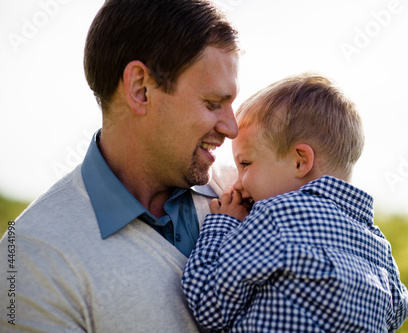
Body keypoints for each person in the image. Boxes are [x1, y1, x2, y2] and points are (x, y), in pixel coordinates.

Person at [0, 0, 240, 332]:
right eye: (214, 103)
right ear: (140, 88)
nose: (232, 127)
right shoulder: (32, 255)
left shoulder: (247, 192)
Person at [182, 73, 408, 332]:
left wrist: (222, 224)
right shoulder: (379, 245)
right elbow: (398, 312)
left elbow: (208, 305)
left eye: (245, 164)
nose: (237, 184)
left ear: (300, 161)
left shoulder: (275, 217)